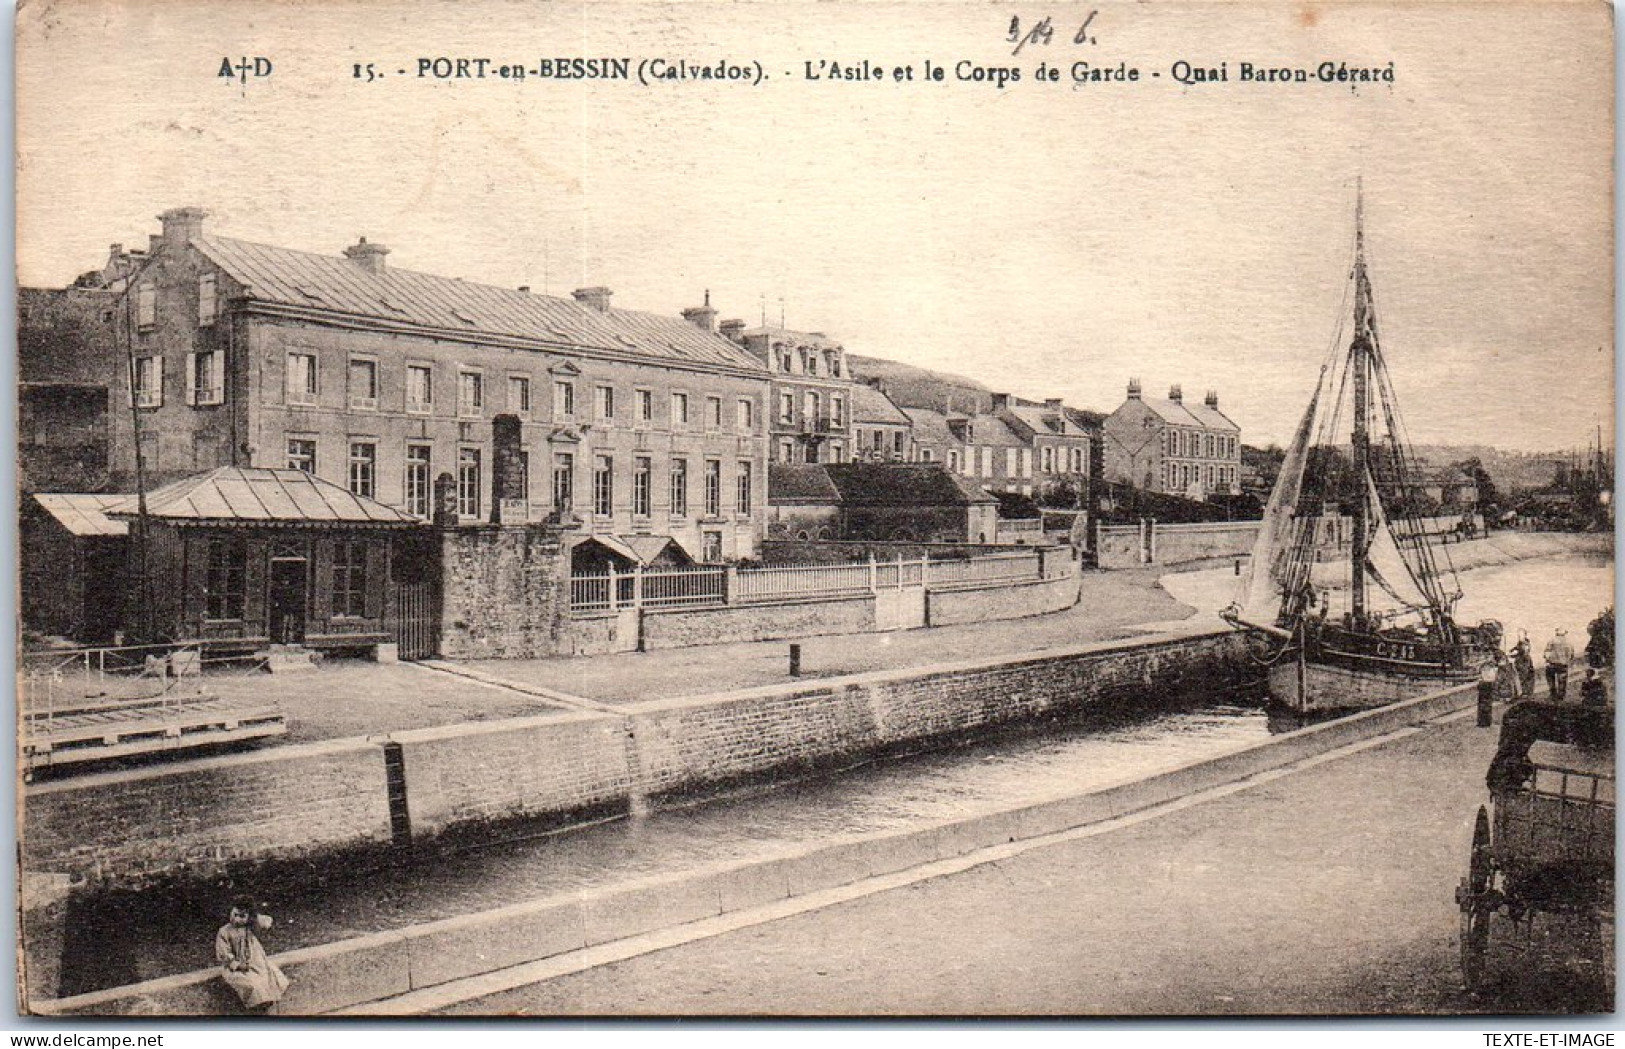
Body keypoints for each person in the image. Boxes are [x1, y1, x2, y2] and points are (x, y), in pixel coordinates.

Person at [215, 898, 289, 1013]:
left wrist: (253, 918)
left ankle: (267, 1012)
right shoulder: (225, 931)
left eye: (242, 916)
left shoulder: (250, 927)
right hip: (237, 968)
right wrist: (237, 964)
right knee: (253, 986)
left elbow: (267, 922)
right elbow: (223, 953)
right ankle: (257, 1012)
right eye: (234, 914)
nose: (237, 919)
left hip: (256, 963)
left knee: (272, 980)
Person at [1543, 629, 1575, 701]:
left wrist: (1547, 660)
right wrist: (1567, 660)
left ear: (1556, 632)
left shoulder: (1552, 640)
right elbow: (1572, 654)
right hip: (1563, 664)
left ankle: (1553, 694)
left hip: (1552, 664)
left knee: (1550, 678)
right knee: (1562, 681)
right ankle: (1561, 696)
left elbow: (1546, 652)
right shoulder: (1569, 642)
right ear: (1565, 633)